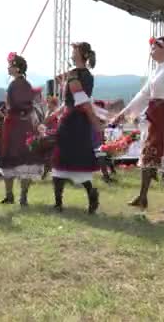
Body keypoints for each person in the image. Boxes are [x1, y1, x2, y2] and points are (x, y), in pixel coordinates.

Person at [112, 36, 164, 215]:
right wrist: (123, 114)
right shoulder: (155, 71)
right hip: (155, 117)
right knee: (147, 157)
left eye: (154, 47)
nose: (151, 51)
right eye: (151, 48)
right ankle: (142, 197)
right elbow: (142, 95)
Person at [0, 53, 44, 206]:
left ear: (17, 69)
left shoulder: (16, 85)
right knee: (22, 158)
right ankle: (19, 196)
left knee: (13, 158)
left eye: (10, 65)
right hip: (22, 125)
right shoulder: (24, 85)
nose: (8, 67)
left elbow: (11, 107)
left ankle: (13, 195)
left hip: (15, 125)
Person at [51, 42, 101, 214]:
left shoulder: (74, 76)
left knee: (62, 158)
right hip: (80, 121)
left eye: (74, 51)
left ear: (81, 55)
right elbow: (60, 81)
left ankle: (59, 203)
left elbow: (81, 101)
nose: (71, 54)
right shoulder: (87, 75)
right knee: (77, 158)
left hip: (72, 120)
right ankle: (89, 196)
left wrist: (96, 121)